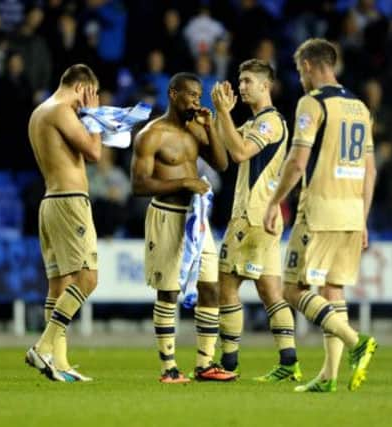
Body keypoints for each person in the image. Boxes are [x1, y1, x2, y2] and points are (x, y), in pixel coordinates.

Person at [263, 38, 377, 393]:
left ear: (310, 66)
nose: (300, 78)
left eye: (300, 71)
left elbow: (298, 162)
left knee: (293, 289)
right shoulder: (359, 107)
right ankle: (329, 376)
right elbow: (370, 171)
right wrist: (363, 218)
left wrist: (273, 202)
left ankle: (355, 340)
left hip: (320, 210)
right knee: (333, 289)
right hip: (352, 212)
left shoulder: (312, 103)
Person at [131, 72, 236, 383]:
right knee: (169, 291)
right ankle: (168, 368)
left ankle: (204, 364)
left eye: (198, 94)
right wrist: (184, 182)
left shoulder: (194, 129)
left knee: (210, 287)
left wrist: (210, 127)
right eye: (190, 94)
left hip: (196, 220)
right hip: (166, 215)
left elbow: (221, 163)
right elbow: (138, 185)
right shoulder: (152, 134)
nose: (196, 100)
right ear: (173, 93)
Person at [211, 59, 301, 381]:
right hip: (267, 218)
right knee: (269, 291)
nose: (242, 86)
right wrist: (211, 117)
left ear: (266, 86)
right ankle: (289, 361)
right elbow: (225, 144)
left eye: (248, 80)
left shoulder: (269, 123)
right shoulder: (255, 123)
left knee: (227, 286)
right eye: (240, 79)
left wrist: (222, 113)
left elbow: (239, 153)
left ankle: (228, 363)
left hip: (250, 216)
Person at [24, 64, 101, 382]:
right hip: (69, 202)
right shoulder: (60, 110)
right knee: (87, 279)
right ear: (83, 88)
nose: (91, 100)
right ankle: (43, 347)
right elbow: (95, 152)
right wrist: (93, 115)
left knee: (59, 284)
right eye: (92, 94)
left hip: (51, 201)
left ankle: (60, 361)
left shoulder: (40, 112)